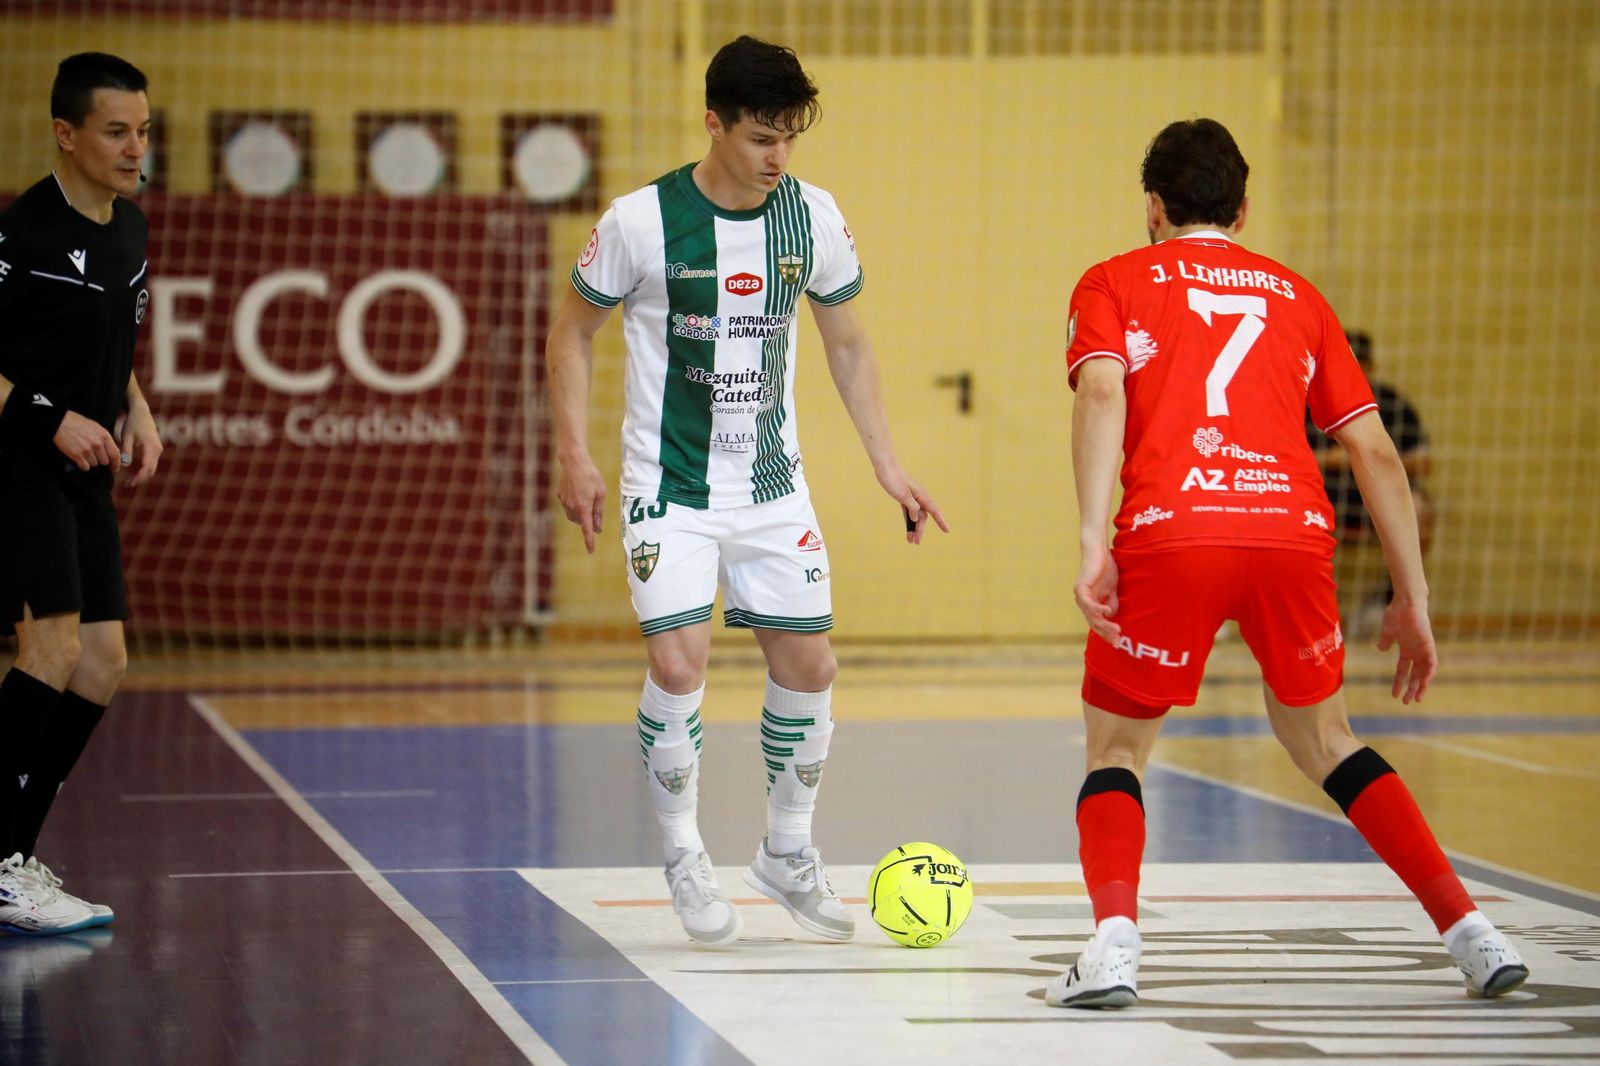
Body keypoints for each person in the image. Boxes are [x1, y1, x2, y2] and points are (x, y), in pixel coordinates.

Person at [1054, 118, 1526, 1007]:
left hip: (1173, 529)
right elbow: (1377, 454)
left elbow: (1105, 389)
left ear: (1153, 207)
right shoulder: (1298, 296)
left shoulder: (1113, 280)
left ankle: (1115, 942)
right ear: (1243, 205)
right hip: (1291, 533)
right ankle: (1473, 932)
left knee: (1117, 745)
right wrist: (1413, 598)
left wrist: (1090, 543)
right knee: (1327, 741)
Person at [547, 35, 946, 946]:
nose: (778, 158)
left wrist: (888, 463)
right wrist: (573, 456)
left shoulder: (813, 216)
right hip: (670, 485)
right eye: (762, 137)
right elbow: (568, 336)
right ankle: (686, 854)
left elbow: (847, 342)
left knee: (811, 667)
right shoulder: (640, 221)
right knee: (680, 663)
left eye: (790, 139)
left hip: (771, 486)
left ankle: (787, 852)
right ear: (713, 123)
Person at [0, 53, 162, 935]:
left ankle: (14, 852)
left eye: (143, 129)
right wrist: (50, 416)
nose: (135, 147)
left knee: (102, 663)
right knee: (52, 649)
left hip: (87, 474)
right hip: (18, 468)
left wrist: (135, 408)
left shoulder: (130, 230)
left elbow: (115, 347)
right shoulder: (19, 236)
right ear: (66, 134)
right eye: (116, 131)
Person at [1307, 331, 1433, 630]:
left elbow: (1423, 461)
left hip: (1374, 498)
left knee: (1418, 509)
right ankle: (1307, 608)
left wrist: (1371, 458)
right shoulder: (1306, 400)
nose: (1356, 369)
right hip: (1323, 497)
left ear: (1371, 366)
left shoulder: (1390, 403)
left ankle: (1388, 601)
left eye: (1361, 362)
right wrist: (1329, 460)